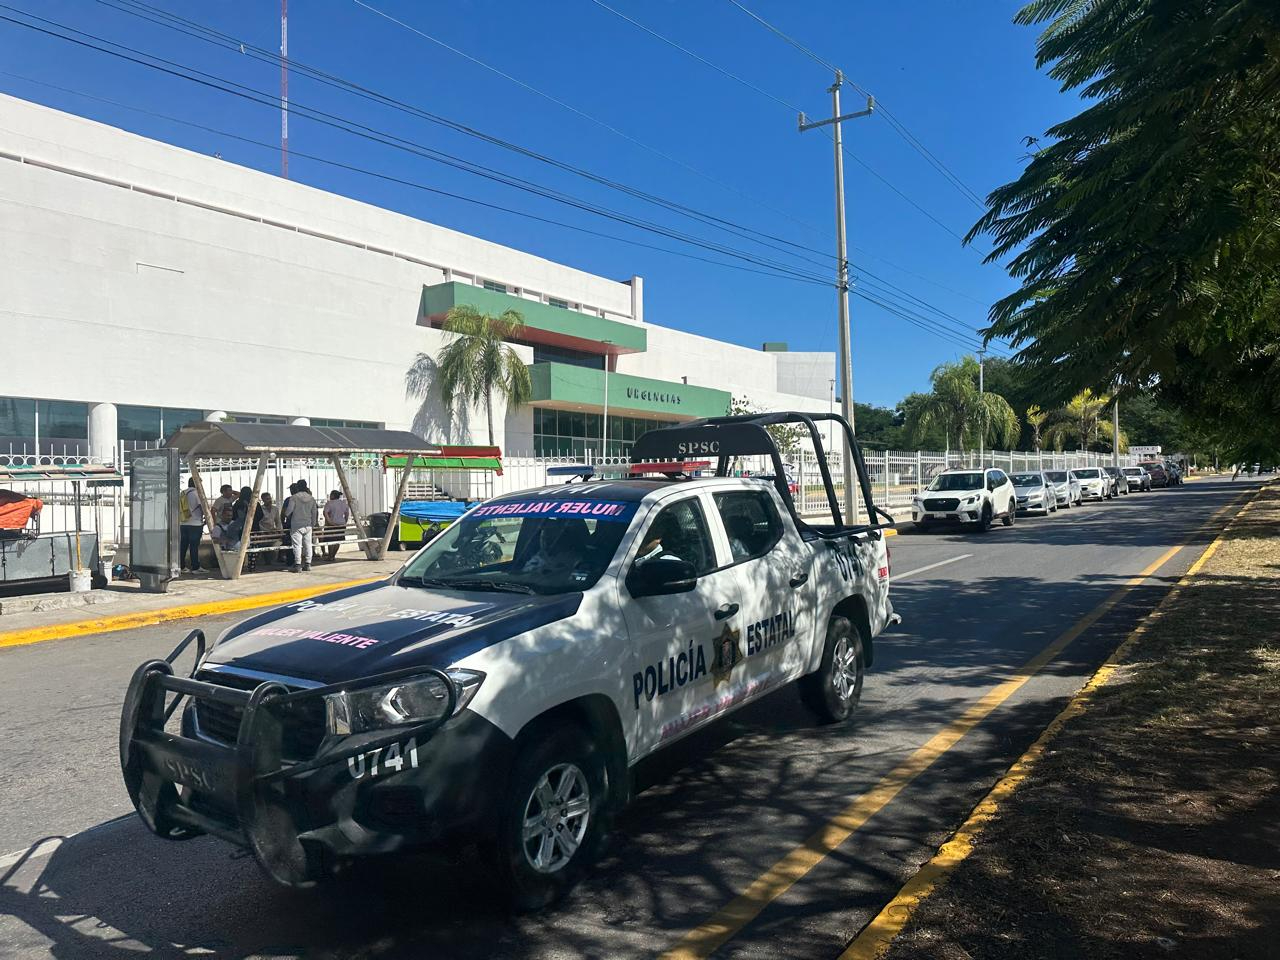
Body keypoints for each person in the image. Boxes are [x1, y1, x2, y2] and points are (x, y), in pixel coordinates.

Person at [284, 479, 318, 572]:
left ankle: (298, 565)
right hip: (308, 524)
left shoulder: (294, 498)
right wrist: (313, 523)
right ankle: (308, 564)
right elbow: (314, 512)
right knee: (308, 545)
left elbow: (289, 511)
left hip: (296, 524)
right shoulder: (311, 498)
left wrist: (286, 515)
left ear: (298, 487)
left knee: (297, 545)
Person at [179, 477, 205, 573]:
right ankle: (195, 567)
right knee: (194, 546)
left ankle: (181, 566)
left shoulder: (183, 493)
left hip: (183, 523)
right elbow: (202, 507)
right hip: (195, 523)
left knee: (183, 546)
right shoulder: (196, 493)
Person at [321, 490, 351, 561]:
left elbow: (325, 513)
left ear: (333, 495)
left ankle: (330, 556)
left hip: (332, 524)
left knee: (330, 540)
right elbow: (347, 513)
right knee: (338, 540)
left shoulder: (329, 503)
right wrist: (345, 521)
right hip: (341, 524)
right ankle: (333, 555)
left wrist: (329, 521)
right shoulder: (343, 503)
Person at [258, 492, 282, 565]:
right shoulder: (260, 509)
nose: (270, 500)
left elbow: (278, 521)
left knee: (280, 541)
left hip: (272, 532)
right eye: (267, 499)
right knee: (264, 545)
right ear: (263, 500)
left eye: (270, 498)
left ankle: (277, 558)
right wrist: (264, 530)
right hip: (262, 532)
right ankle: (267, 560)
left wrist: (278, 530)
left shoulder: (275, 509)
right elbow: (258, 522)